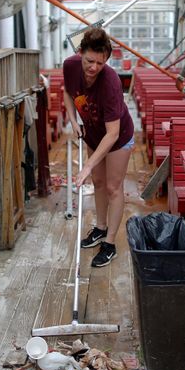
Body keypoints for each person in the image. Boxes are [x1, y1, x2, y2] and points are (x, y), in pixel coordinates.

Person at [63, 27, 134, 267]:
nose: (93, 68)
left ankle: (110, 242)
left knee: (113, 187)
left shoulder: (111, 83)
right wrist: (73, 121)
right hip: (93, 134)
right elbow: (67, 91)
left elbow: (112, 133)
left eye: (100, 63)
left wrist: (87, 165)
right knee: (99, 182)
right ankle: (100, 228)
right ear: (80, 52)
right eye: (89, 61)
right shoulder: (70, 65)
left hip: (118, 137)